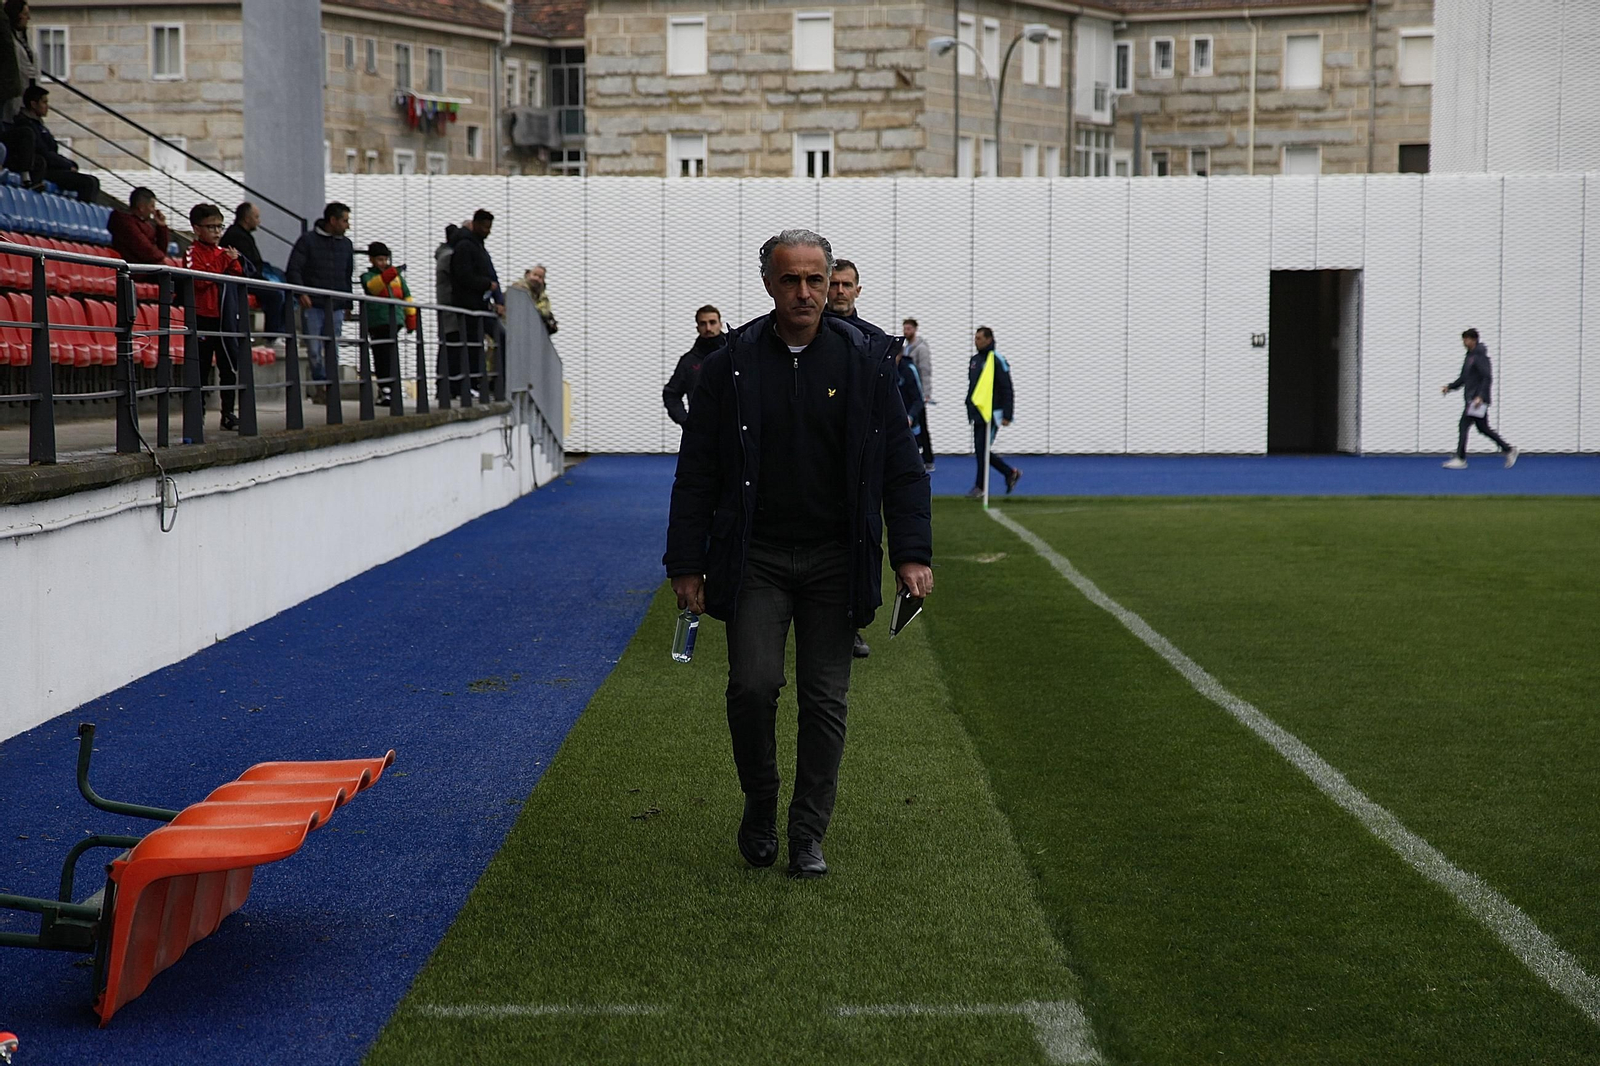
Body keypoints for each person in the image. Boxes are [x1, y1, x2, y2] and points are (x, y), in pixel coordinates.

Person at [664, 228, 933, 880]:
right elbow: (697, 470)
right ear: (768, 285)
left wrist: (912, 554)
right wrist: (685, 563)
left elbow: (901, 467)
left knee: (825, 700)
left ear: (832, 280)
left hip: (837, 559)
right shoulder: (729, 364)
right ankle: (761, 802)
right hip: (754, 556)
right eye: (792, 280)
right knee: (752, 688)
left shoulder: (867, 361)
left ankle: (807, 833)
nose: (806, 292)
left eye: (817, 279)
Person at [825, 257, 899, 661]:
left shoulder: (876, 343)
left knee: (860, 547)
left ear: (857, 289)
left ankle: (850, 626)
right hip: (820, 459)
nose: (838, 291)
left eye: (845, 284)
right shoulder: (806, 336)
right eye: (833, 283)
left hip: (860, 465)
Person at [184, 203, 248, 431]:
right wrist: (224, 262)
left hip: (224, 319)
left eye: (219, 226)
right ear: (197, 228)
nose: (217, 232)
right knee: (200, 369)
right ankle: (197, 414)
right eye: (211, 227)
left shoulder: (223, 253)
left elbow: (238, 274)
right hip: (202, 318)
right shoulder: (192, 253)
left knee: (228, 367)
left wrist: (232, 262)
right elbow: (199, 280)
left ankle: (228, 413)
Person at [285, 202, 355, 398]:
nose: (347, 225)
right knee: (315, 349)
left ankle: (329, 388)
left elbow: (347, 275)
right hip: (313, 304)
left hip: (337, 304)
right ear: (332, 220)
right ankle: (320, 384)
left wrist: (348, 303)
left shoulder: (346, 244)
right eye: (344, 220)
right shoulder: (307, 241)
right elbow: (294, 269)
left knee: (332, 348)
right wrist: (302, 293)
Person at [1441, 328, 1518, 470]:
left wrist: (1480, 396)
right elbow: (1464, 378)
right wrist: (1450, 387)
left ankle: (1460, 459)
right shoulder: (1470, 357)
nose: (1464, 342)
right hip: (1472, 399)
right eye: (1463, 339)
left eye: (1466, 339)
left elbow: (1487, 377)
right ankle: (1508, 449)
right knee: (1483, 428)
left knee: (1463, 425)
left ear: (1474, 340)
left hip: (1476, 400)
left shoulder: (1480, 356)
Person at [13, 87, 98, 200]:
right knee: (88, 183)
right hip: (43, 169)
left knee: (93, 181)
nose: (47, 106)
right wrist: (68, 165)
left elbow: (52, 150)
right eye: (44, 102)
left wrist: (70, 164)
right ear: (33, 104)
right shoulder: (26, 125)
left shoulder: (39, 125)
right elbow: (44, 152)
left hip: (53, 166)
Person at [449, 209, 499, 400]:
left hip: (478, 305)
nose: (488, 231)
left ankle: (479, 382)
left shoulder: (476, 246)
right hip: (469, 305)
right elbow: (463, 276)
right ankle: (471, 384)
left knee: (479, 343)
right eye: (485, 227)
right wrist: (487, 284)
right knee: (472, 344)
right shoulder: (466, 247)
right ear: (475, 224)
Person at [359, 242, 416, 406]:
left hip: (394, 321)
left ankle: (391, 387)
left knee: (390, 355)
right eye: (380, 259)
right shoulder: (367, 277)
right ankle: (385, 388)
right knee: (381, 356)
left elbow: (407, 296)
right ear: (371, 260)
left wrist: (411, 318)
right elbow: (373, 288)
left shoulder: (397, 279)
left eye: (385, 259)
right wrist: (391, 273)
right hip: (377, 321)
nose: (383, 263)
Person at [966, 326, 1020, 498]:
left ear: (989, 340)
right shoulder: (974, 360)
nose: (977, 341)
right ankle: (1009, 473)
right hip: (978, 412)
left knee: (983, 449)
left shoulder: (997, 360)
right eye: (975, 338)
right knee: (980, 450)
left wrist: (1007, 414)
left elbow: (1006, 387)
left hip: (992, 412)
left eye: (980, 338)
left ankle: (980, 486)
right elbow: (973, 387)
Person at [222, 202, 286, 338]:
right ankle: (273, 336)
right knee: (276, 294)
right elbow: (246, 266)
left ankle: (278, 333)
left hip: (249, 276)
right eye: (256, 217)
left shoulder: (242, 234)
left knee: (283, 287)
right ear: (247, 218)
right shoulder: (237, 236)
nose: (259, 221)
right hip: (241, 279)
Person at [663, 305, 724, 427]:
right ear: (697, 328)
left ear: (720, 324)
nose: (708, 328)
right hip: (703, 434)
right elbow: (671, 393)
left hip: (736, 433)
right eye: (703, 324)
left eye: (712, 322)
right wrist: (686, 422)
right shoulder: (689, 362)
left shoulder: (735, 354)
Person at [902, 317, 934, 469]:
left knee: (922, 425)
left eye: (909, 329)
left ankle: (928, 458)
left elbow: (925, 371)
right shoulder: (907, 347)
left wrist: (926, 393)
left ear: (915, 329)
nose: (906, 331)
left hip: (919, 393)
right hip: (910, 391)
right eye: (904, 328)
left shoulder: (921, 348)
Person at [107, 187, 169, 264]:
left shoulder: (145, 224)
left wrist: (161, 227)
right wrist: (162, 256)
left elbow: (160, 251)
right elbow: (147, 252)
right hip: (136, 272)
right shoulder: (125, 223)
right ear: (141, 207)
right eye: (152, 206)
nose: (153, 210)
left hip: (148, 270)